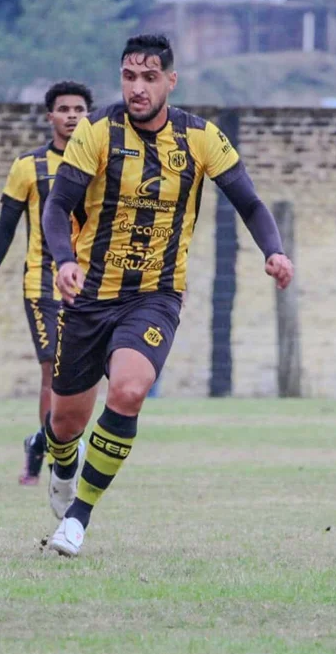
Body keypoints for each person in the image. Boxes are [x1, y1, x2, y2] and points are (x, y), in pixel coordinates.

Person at [41, 34, 294, 557]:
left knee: (129, 390)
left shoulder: (200, 138)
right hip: (89, 297)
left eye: (149, 77)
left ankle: (78, 517)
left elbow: (248, 201)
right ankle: (62, 463)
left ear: (170, 81)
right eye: (129, 77)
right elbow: (57, 205)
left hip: (155, 296)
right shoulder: (96, 131)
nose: (138, 88)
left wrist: (274, 251)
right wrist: (65, 259)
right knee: (65, 424)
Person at [0, 81, 93, 488]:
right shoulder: (29, 166)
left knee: (84, 375)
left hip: (93, 287)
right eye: (64, 109)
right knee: (54, 372)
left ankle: (43, 441)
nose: (72, 116)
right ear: (50, 116)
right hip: (43, 287)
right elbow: (4, 229)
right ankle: (56, 462)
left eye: (79, 109)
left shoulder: (102, 162)